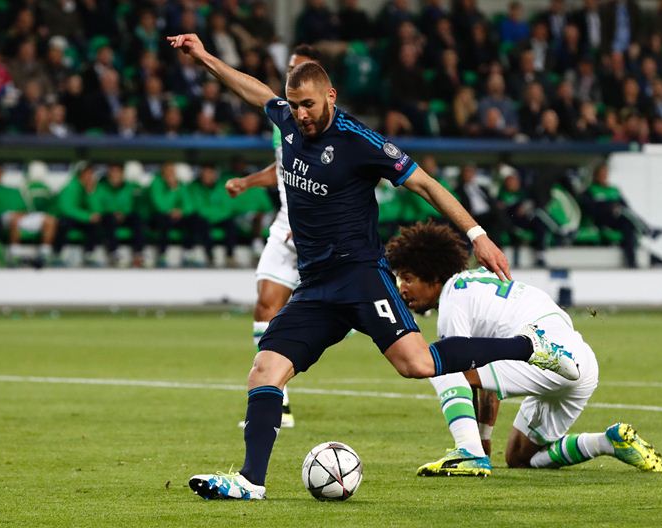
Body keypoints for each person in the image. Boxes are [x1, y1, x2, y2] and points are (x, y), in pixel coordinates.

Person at [167, 32, 575, 501]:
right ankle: (250, 481)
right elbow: (255, 91)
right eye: (294, 105)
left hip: (360, 276)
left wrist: (477, 235)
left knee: (417, 364)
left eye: (308, 104)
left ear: (330, 96)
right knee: (264, 369)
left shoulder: (359, 141)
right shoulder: (288, 121)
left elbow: (426, 185)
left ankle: (529, 346)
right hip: (315, 286)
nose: (300, 114)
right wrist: (204, 57)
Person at [386, 221, 662, 477]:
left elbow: (459, 367)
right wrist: (484, 438)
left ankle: (468, 453)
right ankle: (607, 442)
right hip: (579, 360)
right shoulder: (478, 283)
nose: (402, 289)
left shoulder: (453, 294)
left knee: (437, 363)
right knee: (520, 457)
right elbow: (482, 373)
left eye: (408, 278)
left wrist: (476, 446)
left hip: (539, 349)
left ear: (434, 276)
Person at [224, 44, 324, 429]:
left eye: (301, 68)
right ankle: (277, 399)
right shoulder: (283, 119)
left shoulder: (326, 123)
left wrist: (312, 215)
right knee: (266, 304)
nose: (292, 75)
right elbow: (283, 167)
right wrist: (248, 182)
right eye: (290, 69)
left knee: (342, 309)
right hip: (286, 224)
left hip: (320, 226)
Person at [0, 162, 57, 266]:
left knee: (49, 220)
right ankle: (14, 255)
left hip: (21, 215)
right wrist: (15, 214)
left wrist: (22, 212)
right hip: (1, 217)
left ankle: (45, 255)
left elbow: (24, 207)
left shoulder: (11, 190)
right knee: (14, 219)